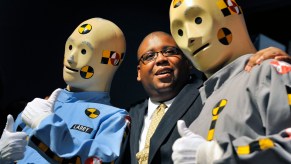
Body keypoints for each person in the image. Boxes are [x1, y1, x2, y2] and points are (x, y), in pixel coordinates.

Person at [120, 31, 290, 164]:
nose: (161, 59)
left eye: (170, 51)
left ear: (187, 62)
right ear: (138, 72)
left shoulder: (211, 94)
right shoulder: (128, 116)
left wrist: (270, 58)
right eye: (149, 56)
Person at [169, 0, 291, 163]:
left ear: (231, 13)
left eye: (198, 20)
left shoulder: (270, 72)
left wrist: (218, 154)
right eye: (180, 32)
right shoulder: (198, 108)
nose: (189, 38)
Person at [0, 17, 129, 164]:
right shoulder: (38, 106)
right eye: (70, 47)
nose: (71, 58)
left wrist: (46, 125)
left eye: (84, 51)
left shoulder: (113, 119)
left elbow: (97, 161)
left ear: (112, 60)